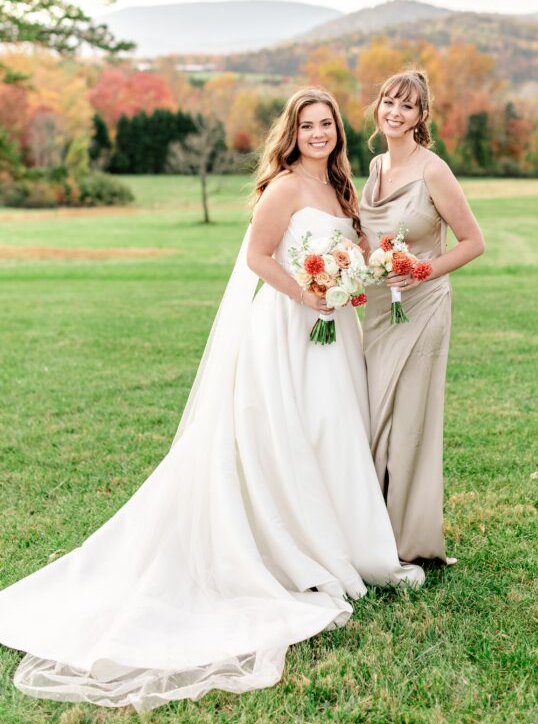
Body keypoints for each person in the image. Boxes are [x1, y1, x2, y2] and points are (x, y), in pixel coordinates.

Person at [0, 87, 422, 713]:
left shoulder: (341, 190)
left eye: (326, 124)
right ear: (292, 132)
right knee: (286, 430)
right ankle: (298, 547)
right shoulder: (281, 188)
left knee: (334, 429)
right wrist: (307, 293)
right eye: (307, 125)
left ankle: (350, 543)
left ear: (337, 130)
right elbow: (256, 257)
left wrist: (356, 272)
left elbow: (350, 251)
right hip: (286, 329)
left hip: (331, 335)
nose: (318, 134)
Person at [360, 70, 485, 564]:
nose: (395, 112)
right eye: (388, 101)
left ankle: (408, 543)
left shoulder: (434, 170)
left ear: (422, 117)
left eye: (407, 106)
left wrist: (423, 270)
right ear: (378, 108)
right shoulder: (374, 167)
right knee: (374, 416)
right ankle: (370, 530)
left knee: (409, 419)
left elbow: (474, 242)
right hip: (375, 309)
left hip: (423, 306)